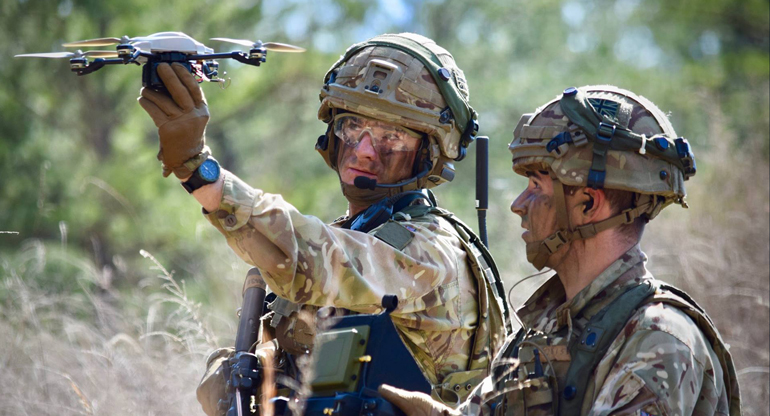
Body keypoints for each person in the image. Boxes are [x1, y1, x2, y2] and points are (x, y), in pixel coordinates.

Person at [136, 33, 511, 413]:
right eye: (352, 127)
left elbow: (315, 259)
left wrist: (201, 172)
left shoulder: (431, 248)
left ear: (428, 153)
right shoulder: (359, 232)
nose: (364, 150)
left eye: (390, 137)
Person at [379, 85, 741, 416]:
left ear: (588, 204)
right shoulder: (546, 331)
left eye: (536, 186)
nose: (518, 205)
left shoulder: (659, 338)